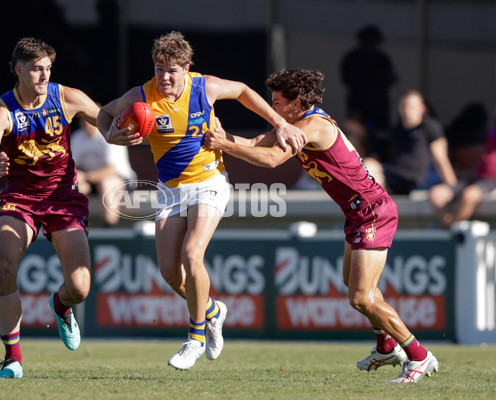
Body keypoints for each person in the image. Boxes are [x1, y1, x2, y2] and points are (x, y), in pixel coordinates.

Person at [205, 69, 439, 383]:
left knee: (361, 298)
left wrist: (227, 145)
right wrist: (219, 138)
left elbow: (272, 159)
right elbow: (254, 143)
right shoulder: (293, 123)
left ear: (295, 102)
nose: (271, 108)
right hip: (358, 213)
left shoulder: (312, 125)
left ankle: (419, 356)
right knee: (355, 285)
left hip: (372, 211)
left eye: (276, 102)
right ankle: (386, 346)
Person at [96, 31, 307, 370]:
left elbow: (242, 91)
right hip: (170, 189)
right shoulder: (142, 95)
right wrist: (112, 134)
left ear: (187, 68)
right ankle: (212, 311)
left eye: (172, 70)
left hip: (209, 180)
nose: (164, 77)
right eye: (159, 68)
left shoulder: (203, 87)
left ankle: (194, 338)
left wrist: (280, 123)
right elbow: (104, 114)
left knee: (193, 254)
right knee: (169, 271)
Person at [0, 37, 102, 379]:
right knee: (4, 263)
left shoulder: (66, 98)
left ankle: (60, 306)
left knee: (80, 288)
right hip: (21, 199)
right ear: (19, 70)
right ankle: (12, 359)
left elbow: (106, 121)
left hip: (63, 199)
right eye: (36, 69)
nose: (44, 75)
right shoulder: (1, 112)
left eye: (48, 68)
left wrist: (129, 129)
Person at [364, 89, 457, 195]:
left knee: (371, 168)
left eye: (412, 107)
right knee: (366, 165)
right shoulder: (396, 130)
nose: (407, 110)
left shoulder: (430, 127)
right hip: (394, 176)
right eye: (404, 106)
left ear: (422, 108)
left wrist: (452, 187)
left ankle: (374, 206)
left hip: (413, 180)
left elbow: (441, 159)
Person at [340, 24, 397, 156]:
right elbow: (393, 78)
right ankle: (374, 159)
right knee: (367, 135)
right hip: (374, 104)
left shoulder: (352, 56)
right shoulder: (380, 57)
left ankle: (364, 160)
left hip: (362, 103)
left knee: (360, 135)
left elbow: (345, 80)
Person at [70, 117, 137, 227]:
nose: (86, 123)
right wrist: (80, 176)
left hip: (121, 179)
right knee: (76, 185)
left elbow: (111, 170)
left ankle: (109, 227)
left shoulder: (110, 135)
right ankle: (76, 226)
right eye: (83, 119)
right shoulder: (77, 137)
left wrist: (86, 176)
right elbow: (74, 166)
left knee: (106, 184)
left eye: (89, 119)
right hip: (92, 180)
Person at [429, 123, 496, 228]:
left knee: (469, 195)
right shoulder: (492, 130)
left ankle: (450, 232)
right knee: (437, 194)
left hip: (491, 181)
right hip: (476, 177)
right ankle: (447, 229)